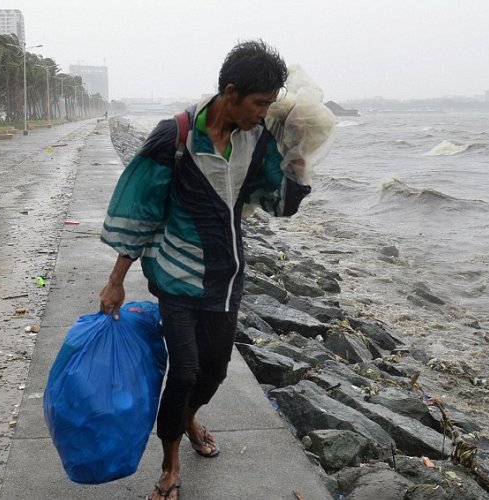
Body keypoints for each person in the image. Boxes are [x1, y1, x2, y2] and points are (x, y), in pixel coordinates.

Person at [99, 40, 332, 500]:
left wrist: (300, 158)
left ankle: (187, 418)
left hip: (227, 279)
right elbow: (142, 208)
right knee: (184, 370)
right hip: (177, 278)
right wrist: (115, 280)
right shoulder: (176, 136)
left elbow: (280, 205)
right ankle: (169, 464)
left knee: (215, 371)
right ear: (230, 92)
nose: (264, 114)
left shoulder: (258, 138)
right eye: (259, 104)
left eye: (270, 105)